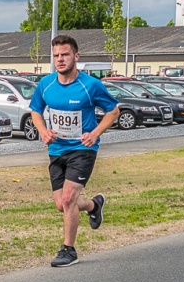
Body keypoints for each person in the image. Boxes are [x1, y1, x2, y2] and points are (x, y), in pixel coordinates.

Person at [29, 35, 120, 267]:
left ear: (76, 56)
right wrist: (43, 130)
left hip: (82, 149)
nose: (60, 59)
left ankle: (69, 250)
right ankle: (93, 205)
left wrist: (96, 133)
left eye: (65, 54)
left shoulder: (90, 85)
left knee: (69, 198)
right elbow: (35, 110)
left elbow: (113, 111)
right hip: (57, 149)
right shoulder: (46, 84)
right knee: (62, 204)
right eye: (56, 55)